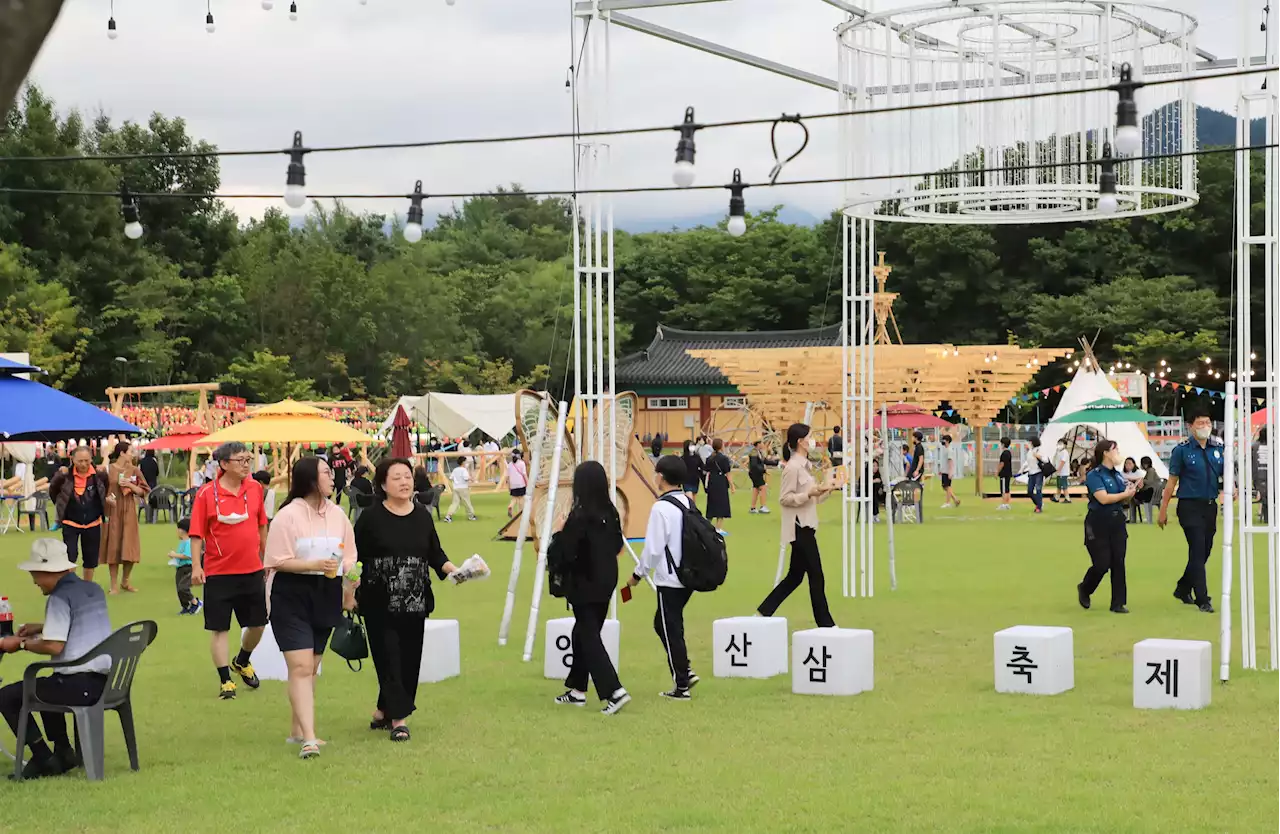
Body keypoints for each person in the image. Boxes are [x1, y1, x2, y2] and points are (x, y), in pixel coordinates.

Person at [355, 458, 459, 742]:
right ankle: (399, 720)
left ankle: (382, 710)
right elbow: (354, 558)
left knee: (409, 659)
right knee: (388, 657)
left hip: (415, 599)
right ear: (383, 484)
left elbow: (435, 553)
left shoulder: (422, 516)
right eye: (397, 477)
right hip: (378, 600)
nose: (404, 482)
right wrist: (348, 591)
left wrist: (454, 570)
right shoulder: (370, 518)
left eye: (407, 476)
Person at [264, 457, 358, 759]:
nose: (333, 477)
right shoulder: (287, 516)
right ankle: (309, 738)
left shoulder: (338, 514)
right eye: (327, 473)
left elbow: (351, 558)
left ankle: (296, 730)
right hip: (291, 594)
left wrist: (350, 586)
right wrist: (313, 564)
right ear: (309, 479)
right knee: (301, 666)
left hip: (327, 592)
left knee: (312, 666)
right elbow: (276, 560)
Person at [0, 538, 112, 780]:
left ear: (49, 572)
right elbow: (78, 623)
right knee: (49, 683)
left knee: (8, 697)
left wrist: (18, 644)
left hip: (79, 686)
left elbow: (54, 645)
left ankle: (42, 757)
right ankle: (63, 751)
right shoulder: (93, 589)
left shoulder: (59, 598)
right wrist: (41, 627)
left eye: (36, 575)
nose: (34, 581)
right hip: (106, 683)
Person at [189, 441, 270, 699]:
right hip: (219, 572)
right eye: (241, 460)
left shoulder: (256, 488)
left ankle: (242, 660)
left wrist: (266, 557)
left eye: (248, 459)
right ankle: (226, 680)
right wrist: (195, 566)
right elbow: (196, 534)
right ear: (223, 464)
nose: (247, 464)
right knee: (220, 627)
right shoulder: (206, 493)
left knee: (258, 624)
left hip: (252, 570)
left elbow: (261, 525)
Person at [549, 461, 630, 715]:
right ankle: (577, 690)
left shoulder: (579, 517)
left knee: (588, 635)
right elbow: (618, 545)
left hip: (585, 582)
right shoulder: (611, 512)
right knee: (582, 632)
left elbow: (565, 553)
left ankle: (613, 690)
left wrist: (557, 533)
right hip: (606, 581)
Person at [624, 455, 700, 700]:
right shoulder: (688, 502)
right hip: (689, 574)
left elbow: (654, 549)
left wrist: (637, 575)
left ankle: (682, 684)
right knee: (664, 623)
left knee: (670, 629)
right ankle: (685, 671)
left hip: (671, 578)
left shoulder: (661, 507)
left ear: (662, 477)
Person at [757, 423, 838, 628]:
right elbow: (785, 498)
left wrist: (828, 489)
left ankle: (763, 612)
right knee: (816, 576)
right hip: (799, 528)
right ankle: (825, 623)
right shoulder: (792, 468)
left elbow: (814, 500)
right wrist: (808, 494)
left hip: (808, 524)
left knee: (794, 577)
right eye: (810, 437)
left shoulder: (806, 466)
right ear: (800, 441)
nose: (813, 440)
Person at [1158, 411, 1223, 613]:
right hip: (1189, 506)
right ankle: (1202, 598)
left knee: (1205, 550)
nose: (1205, 426)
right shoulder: (1182, 451)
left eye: (1207, 422)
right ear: (1191, 426)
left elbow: (1225, 474)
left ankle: (1183, 587)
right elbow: (1171, 483)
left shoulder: (1218, 449)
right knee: (1196, 549)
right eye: (1200, 422)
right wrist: (1163, 509)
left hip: (1210, 505)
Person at [1077, 439, 1133, 614]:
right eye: (1115, 449)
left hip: (1117, 522)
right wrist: (1124, 493)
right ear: (1106, 453)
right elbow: (1103, 498)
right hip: (1098, 522)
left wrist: (1129, 493)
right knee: (1102, 563)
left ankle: (1118, 603)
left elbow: (1123, 499)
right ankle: (1085, 588)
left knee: (1118, 562)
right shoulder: (1095, 475)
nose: (1118, 453)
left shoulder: (1117, 475)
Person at [48, 446, 109, 583]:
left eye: (87, 461)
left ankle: (87, 586)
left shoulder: (99, 475)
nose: (83, 464)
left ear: (91, 459)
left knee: (90, 558)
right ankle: (72, 586)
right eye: (80, 461)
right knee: (70, 556)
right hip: (70, 522)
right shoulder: (64, 475)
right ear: (72, 459)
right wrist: (61, 506)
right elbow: (53, 490)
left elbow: (105, 487)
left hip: (93, 522)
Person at [101, 443, 150, 594]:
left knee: (129, 545)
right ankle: (113, 585)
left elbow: (144, 490)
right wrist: (106, 499)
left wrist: (130, 485)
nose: (133, 454)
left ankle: (125, 581)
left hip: (128, 510)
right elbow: (100, 490)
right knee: (114, 546)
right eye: (130, 451)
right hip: (113, 510)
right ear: (122, 453)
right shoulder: (109, 470)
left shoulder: (134, 470)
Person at [170, 517, 202, 615]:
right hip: (180, 568)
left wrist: (174, 555)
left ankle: (195, 602)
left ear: (182, 530)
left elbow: (188, 556)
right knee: (179, 590)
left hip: (188, 568)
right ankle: (185, 606)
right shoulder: (182, 542)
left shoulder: (189, 542)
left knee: (183, 587)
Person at [703, 438, 734, 533]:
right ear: (721, 446)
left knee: (711, 503)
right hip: (720, 481)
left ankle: (707, 525)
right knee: (722, 504)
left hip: (712, 481)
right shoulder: (724, 458)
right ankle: (718, 527)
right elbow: (727, 473)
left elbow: (706, 469)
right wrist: (732, 485)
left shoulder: (709, 458)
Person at [747, 440, 776, 514]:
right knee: (763, 488)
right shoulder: (754, 452)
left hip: (756, 473)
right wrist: (763, 470)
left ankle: (753, 508)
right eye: (762, 443)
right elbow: (754, 465)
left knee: (756, 489)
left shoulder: (759, 452)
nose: (763, 444)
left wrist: (776, 462)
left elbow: (764, 461)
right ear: (758, 444)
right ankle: (763, 506)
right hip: (755, 473)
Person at [1022, 435, 1047, 514]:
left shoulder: (1039, 450)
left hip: (1038, 472)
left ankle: (1039, 507)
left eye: (1029, 442)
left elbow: (1045, 459)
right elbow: (1027, 462)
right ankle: (1038, 503)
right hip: (1031, 472)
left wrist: (1037, 456)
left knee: (1038, 489)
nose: (1028, 443)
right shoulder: (1030, 451)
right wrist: (1022, 470)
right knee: (1029, 491)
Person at [938, 434, 961, 509]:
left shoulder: (949, 450)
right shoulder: (946, 450)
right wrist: (941, 470)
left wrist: (950, 472)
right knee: (945, 487)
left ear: (947, 441)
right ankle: (956, 500)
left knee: (948, 487)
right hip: (945, 471)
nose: (942, 441)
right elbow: (945, 462)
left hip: (948, 472)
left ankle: (947, 502)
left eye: (944, 440)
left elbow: (950, 462)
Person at [507, 448, 528, 518]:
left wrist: (509, 486)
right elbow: (524, 475)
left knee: (514, 499)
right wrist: (527, 483)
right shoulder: (522, 463)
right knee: (521, 499)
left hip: (513, 484)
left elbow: (508, 477)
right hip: (521, 484)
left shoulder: (509, 464)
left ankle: (510, 506)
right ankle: (520, 513)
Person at [1053, 438, 1072, 504]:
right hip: (1059, 473)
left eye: (1061, 444)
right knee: (1059, 486)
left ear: (1065, 445)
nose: (1059, 445)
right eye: (1058, 443)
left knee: (1064, 486)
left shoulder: (1065, 452)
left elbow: (1063, 462)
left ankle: (1068, 499)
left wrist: (1059, 469)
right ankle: (1056, 498)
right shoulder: (1058, 452)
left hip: (1063, 473)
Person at [997, 437, 1013, 510]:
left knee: (1003, 490)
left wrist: (997, 472)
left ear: (1003, 444)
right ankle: (1007, 504)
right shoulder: (1009, 452)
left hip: (1004, 474)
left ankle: (1004, 504)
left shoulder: (1004, 453)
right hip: (1008, 473)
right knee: (1007, 489)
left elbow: (1002, 463)